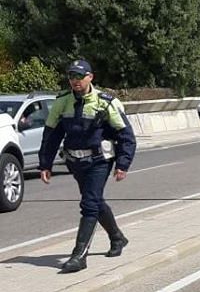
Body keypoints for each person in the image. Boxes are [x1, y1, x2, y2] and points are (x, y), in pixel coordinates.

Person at [38, 60, 136, 273]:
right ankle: (118, 238)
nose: (75, 81)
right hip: (74, 162)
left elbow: (126, 136)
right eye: (71, 77)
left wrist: (123, 164)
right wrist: (45, 164)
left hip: (99, 161)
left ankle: (79, 256)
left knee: (89, 204)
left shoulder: (106, 102)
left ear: (90, 77)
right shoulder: (62, 101)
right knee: (96, 201)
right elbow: (52, 135)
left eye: (79, 76)